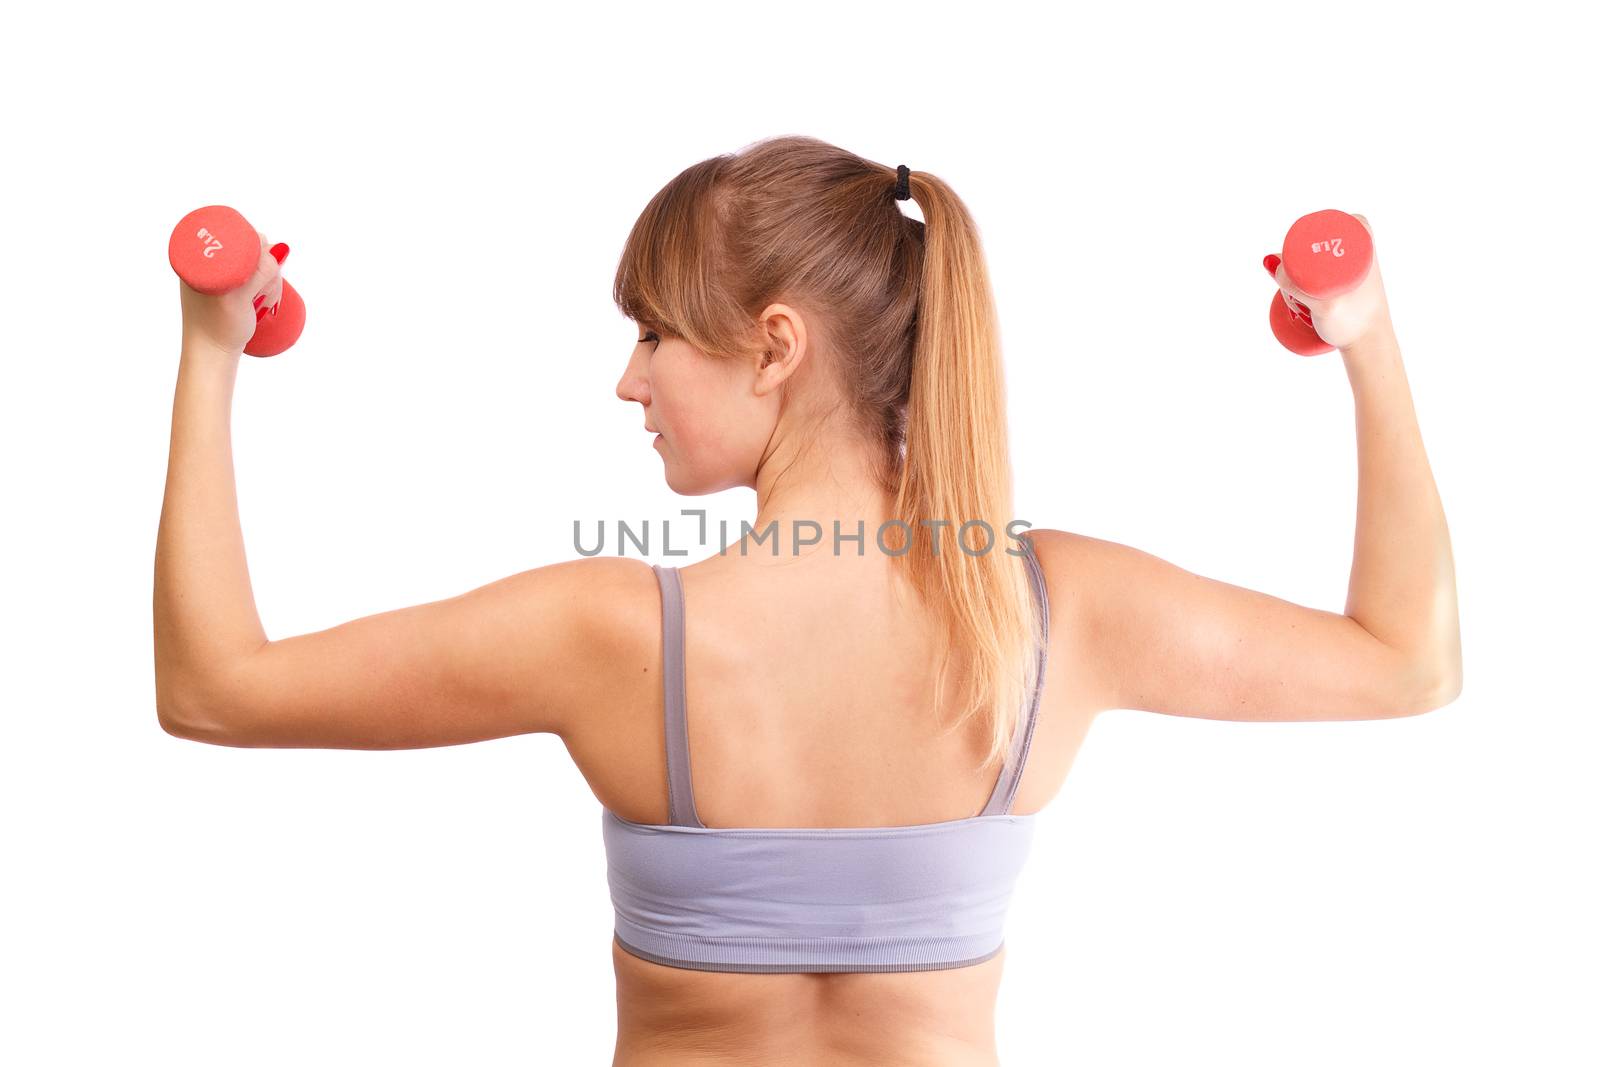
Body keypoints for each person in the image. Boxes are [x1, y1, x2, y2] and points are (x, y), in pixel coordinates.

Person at [153, 134, 1462, 1066]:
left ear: (775, 345)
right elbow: (1408, 661)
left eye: (654, 333)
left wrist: (214, 351)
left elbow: (216, 690)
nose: (631, 381)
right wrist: (1366, 330)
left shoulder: (608, 635)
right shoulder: (1058, 614)